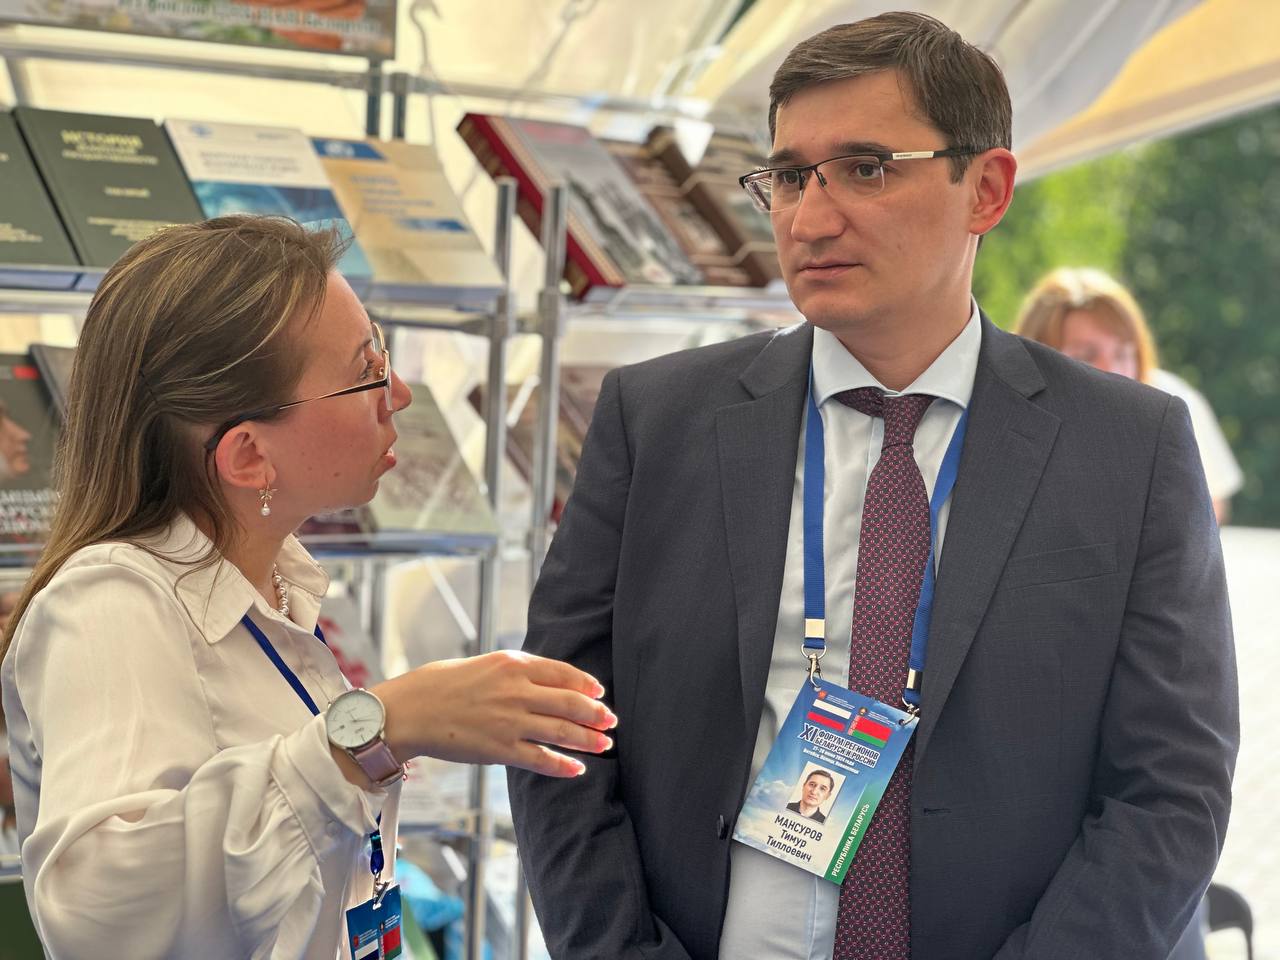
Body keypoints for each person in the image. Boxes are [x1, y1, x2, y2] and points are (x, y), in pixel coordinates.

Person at [508, 12, 1237, 960]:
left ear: (986, 188)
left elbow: (1172, 789)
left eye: (866, 168)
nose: (811, 219)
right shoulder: (657, 423)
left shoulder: (1128, 449)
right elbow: (558, 730)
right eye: (790, 177)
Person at [0, 215, 617, 959]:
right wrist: (380, 729)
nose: (400, 394)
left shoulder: (275, 584)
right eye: (366, 372)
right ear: (248, 456)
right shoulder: (111, 605)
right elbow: (101, 915)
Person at [1015, 266, 1245, 523]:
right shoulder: (1005, 426)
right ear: (1036, 359)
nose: (1111, 371)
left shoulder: (1172, 403)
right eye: (1086, 356)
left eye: (1122, 354)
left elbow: (1209, 505)